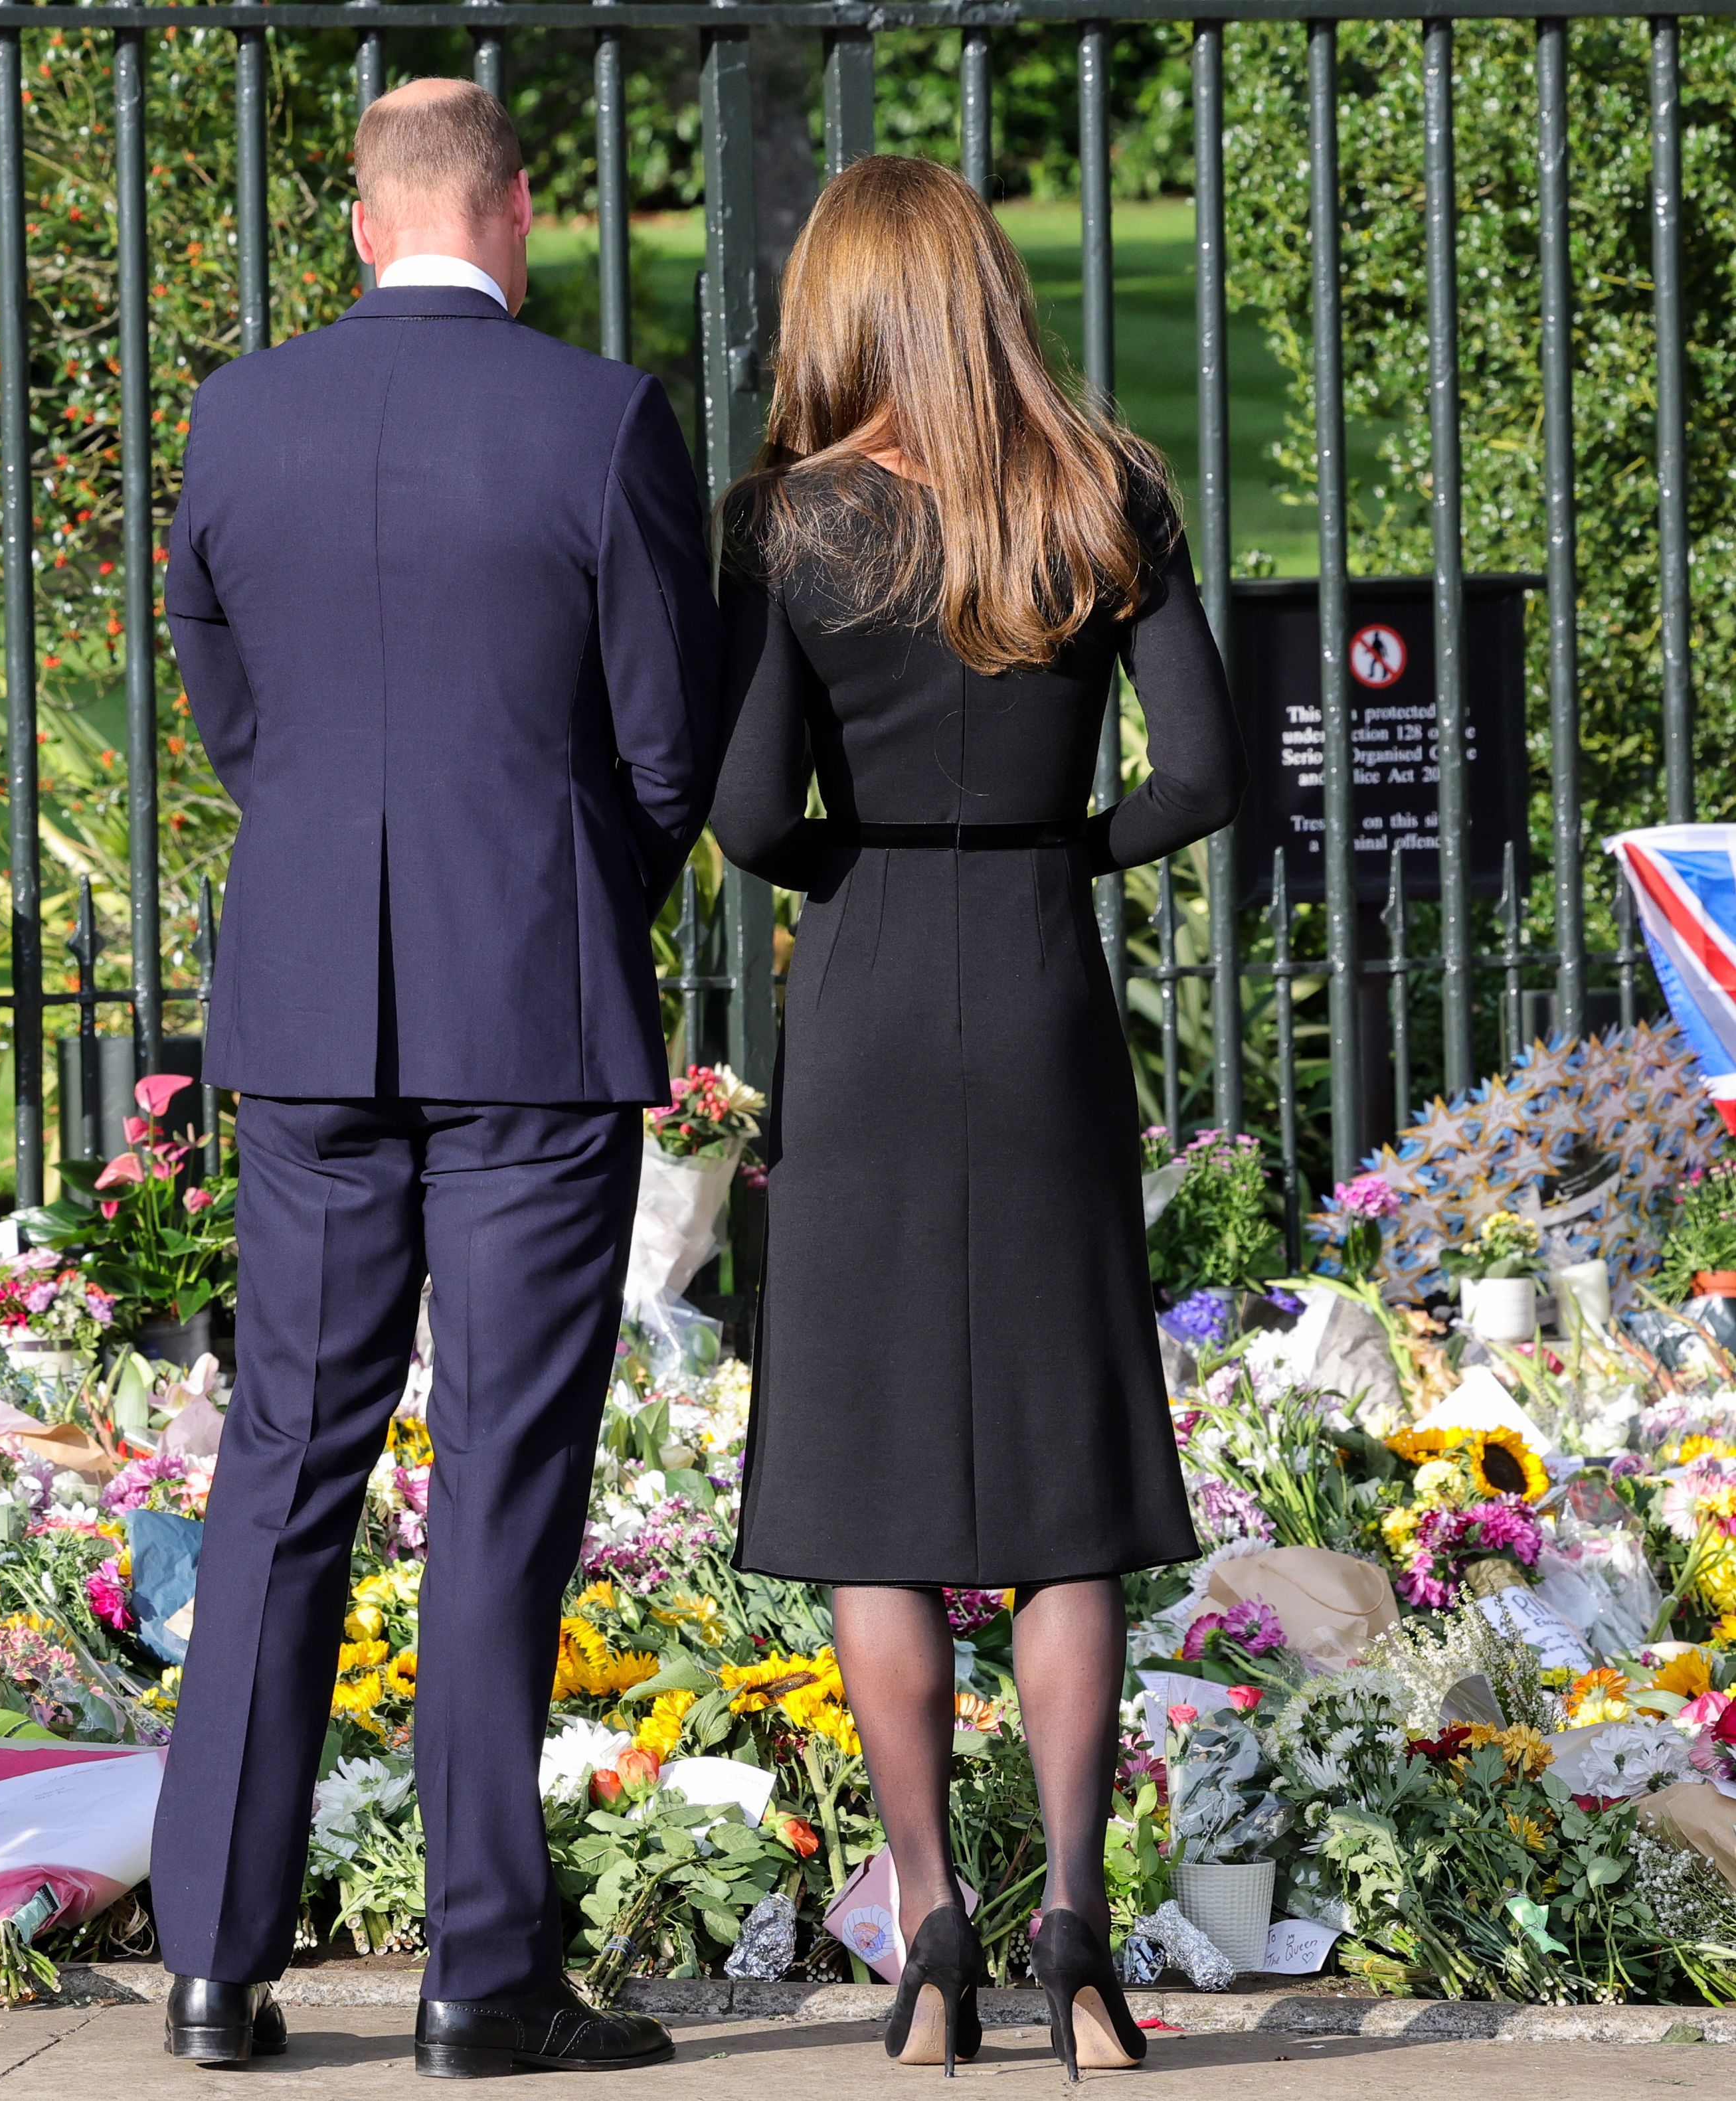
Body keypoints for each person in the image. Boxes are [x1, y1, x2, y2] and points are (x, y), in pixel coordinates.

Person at [147, 78, 721, 2080]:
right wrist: (564, 888)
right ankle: (481, 1971)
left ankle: (214, 1961)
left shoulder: (237, 417)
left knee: (280, 1472)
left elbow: (227, 698)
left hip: (309, 1006)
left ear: (364, 223)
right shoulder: (600, 417)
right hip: (528, 1015)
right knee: (497, 1489)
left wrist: (325, 847)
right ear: (521, 208)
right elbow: (666, 744)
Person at [710, 154, 1241, 2080]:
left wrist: (880, 851)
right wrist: (1054, 846)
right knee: (1063, 1478)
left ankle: (928, 1928)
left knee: (868, 1481)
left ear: (836, 304)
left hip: (862, 989)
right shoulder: (1106, 492)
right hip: (1034, 978)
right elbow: (1201, 771)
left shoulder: (782, 525)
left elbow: (752, 817)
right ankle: (1079, 1942)